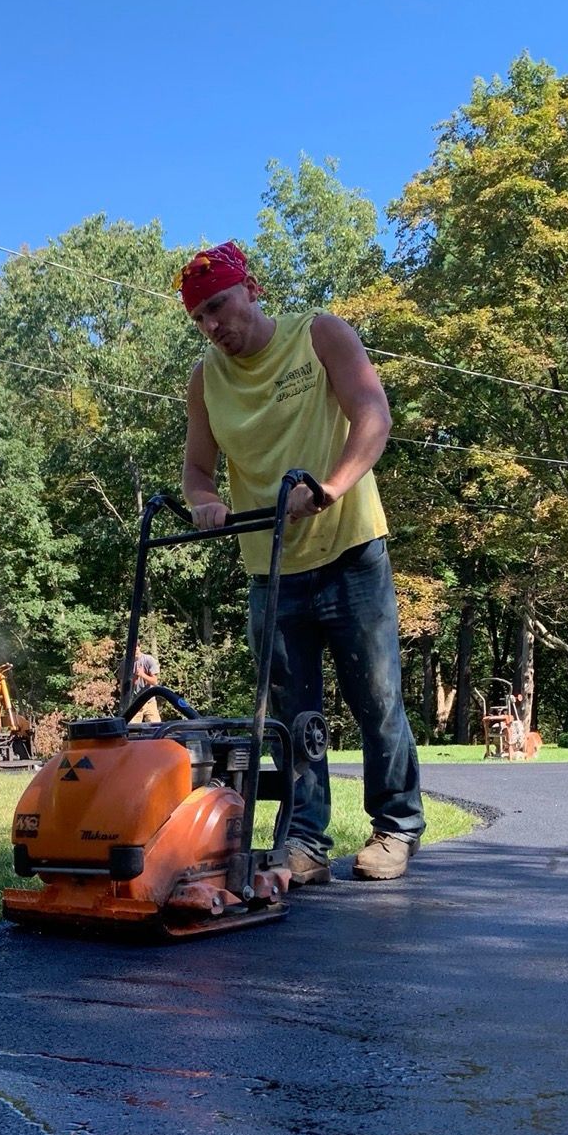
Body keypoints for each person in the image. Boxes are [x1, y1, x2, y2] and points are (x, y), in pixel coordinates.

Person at [179, 241, 424, 883]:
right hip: (271, 569)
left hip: (351, 551)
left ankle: (396, 829)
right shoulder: (205, 380)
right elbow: (198, 471)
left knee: (377, 699)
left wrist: (331, 486)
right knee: (292, 716)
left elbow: (373, 415)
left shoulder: (319, 336)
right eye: (200, 317)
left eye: (220, 306)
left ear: (252, 289)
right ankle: (306, 843)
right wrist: (204, 501)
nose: (213, 326)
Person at [128, 645, 162, 723]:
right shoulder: (126, 663)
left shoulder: (148, 660)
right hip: (135, 702)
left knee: (155, 726)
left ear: (140, 647)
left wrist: (142, 675)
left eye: (135, 648)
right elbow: (123, 687)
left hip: (149, 701)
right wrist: (135, 678)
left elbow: (154, 682)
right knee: (132, 728)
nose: (134, 651)